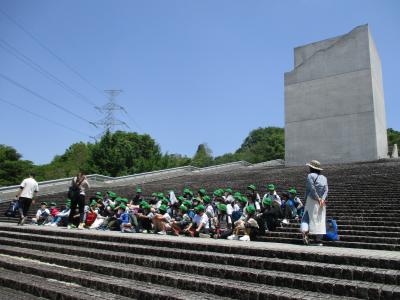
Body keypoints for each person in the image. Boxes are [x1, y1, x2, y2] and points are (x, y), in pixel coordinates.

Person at [301, 160, 328, 246]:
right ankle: (318, 241)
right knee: (320, 219)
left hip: (312, 200)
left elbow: (311, 189)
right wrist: (322, 199)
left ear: (311, 168)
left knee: (306, 217)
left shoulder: (310, 176)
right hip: (321, 202)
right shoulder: (324, 178)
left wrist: (316, 198)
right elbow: (326, 190)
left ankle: (305, 232)